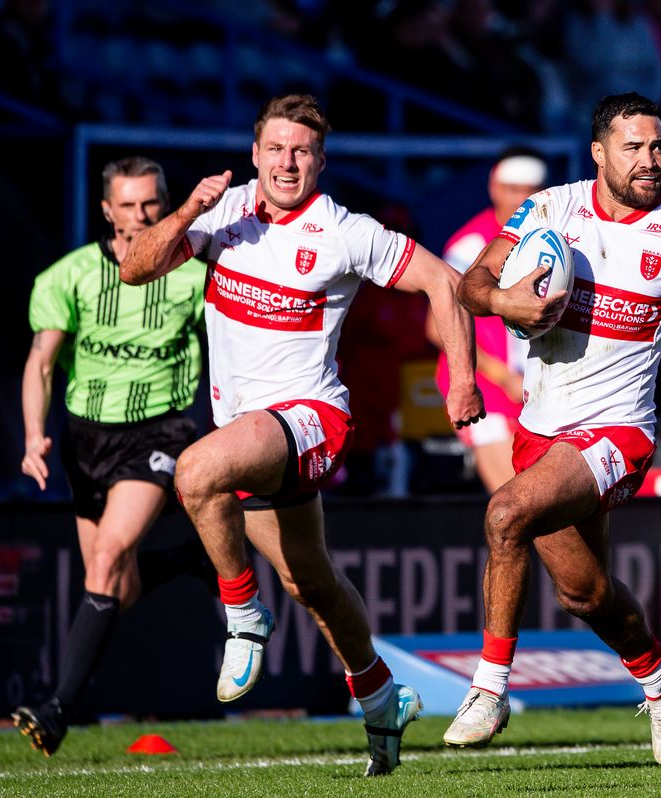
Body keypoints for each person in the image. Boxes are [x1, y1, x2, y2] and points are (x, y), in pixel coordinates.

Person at [120, 94, 484, 777]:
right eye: (276, 149)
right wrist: (190, 210)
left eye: (302, 151)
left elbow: (445, 280)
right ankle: (380, 697)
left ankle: (242, 615)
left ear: (320, 161)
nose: (288, 162)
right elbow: (136, 266)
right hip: (248, 431)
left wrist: (461, 379)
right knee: (310, 580)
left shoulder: (345, 231)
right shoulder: (223, 214)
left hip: (310, 418)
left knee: (196, 473)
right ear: (255, 154)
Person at [443, 92, 661, 763]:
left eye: (658, 146)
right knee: (583, 593)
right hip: (540, 430)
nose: (649, 160)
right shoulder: (551, 208)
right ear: (599, 153)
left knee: (506, 513)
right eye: (633, 147)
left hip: (619, 434)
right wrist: (504, 300)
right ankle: (660, 673)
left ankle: (489, 690)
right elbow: (473, 283)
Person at [13, 157, 209, 756]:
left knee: (106, 558)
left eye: (151, 204)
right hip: (84, 441)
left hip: (158, 432)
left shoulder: (196, 273)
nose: (140, 216)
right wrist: (32, 436)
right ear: (106, 210)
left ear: (166, 202)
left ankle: (57, 709)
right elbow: (42, 362)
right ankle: (186, 558)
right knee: (114, 588)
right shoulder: (67, 276)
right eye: (127, 206)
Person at [427, 147, 547, 493]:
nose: (523, 200)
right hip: (490, 388)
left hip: (538, 388)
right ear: (494, 187)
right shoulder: (471, 247)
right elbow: (436, 327)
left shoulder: (553, 242)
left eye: (532, 191)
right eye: (513, 190)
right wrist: (501, 375)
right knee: (514, 497)